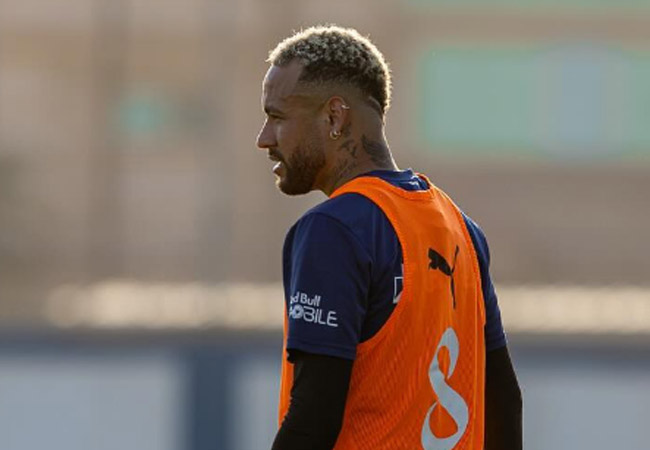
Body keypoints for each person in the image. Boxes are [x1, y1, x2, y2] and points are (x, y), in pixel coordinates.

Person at [256, 25, 522, 450]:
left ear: (334, 116)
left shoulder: (335, 230)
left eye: (277, 116)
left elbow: (314, 419)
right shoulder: (460, 227)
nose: (263, 139)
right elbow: (503, 404)